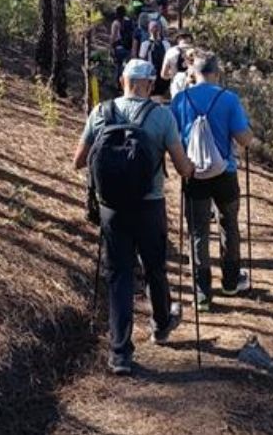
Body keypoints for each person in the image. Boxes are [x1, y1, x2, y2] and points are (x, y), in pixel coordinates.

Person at [73, 59, 195, 375]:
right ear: (150, 85)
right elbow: (183, 168)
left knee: (119, 275)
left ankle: (120, 354)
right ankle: (161, 324)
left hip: (112, 208)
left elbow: (78, 161)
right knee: (154, 268)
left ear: (122, 80)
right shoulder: (161, 116)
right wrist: (191, 169)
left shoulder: (100, 112)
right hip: (149, 205)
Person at [170, 53, 253, 311]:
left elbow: (171, 137)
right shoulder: (228, 99)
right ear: (217, 73)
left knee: (198, 232)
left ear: (193, 73)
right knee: (229, 225)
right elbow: (244, 139)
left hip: (193, 174)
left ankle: (202, 294)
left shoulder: (180, 99)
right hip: (225, 173)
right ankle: (230, 282)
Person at [138, 20, 172, 98]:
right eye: (153, 28)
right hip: (151, 74)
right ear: (149, 30)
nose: (155, 30)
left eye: (157, 27)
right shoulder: (145, 44)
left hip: (163, 73)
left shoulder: (166, 44)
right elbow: (142, 59)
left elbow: (169, 60)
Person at [109, 6, 135, 84]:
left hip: (119, 47)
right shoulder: (128, 21)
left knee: (118, 66)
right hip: (128, 47)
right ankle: (128, 82)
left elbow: (113, 37)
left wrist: (110, 48)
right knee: (127, 66)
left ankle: (119, 84)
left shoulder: (116, 23)